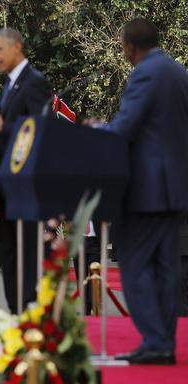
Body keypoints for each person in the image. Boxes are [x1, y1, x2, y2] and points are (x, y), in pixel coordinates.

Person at [90, 19, 188, 365]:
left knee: (134, 264)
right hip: (175, 188)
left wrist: (97, 130)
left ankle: (154, 341)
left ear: (129, 47)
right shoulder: (178, 72)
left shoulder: (145, 73)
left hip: (148, 191)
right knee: (165, 268)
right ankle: (163, 341)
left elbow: (125, 127)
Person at [0, 27, 50, 314]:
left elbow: (41, 130)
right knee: (9, 251)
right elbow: (10, 132)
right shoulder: (9, 84)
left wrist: (2, 127)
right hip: (6, 186)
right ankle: (15, 313)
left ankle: (29, 315)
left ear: (17, 47)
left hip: (27, 187)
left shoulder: (35, 83)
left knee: (25, 252)